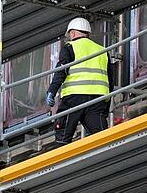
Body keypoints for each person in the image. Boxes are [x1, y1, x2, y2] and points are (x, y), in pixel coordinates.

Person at [45, 17, 110, 145]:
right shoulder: (102, 50)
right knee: (102, 138)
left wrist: (52, 91)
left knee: (63, 135)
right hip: (98, 98)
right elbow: (110, 80)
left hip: (74, 97)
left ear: (73, 33)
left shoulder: (70, 47)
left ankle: (61, 161)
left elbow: (61, 71)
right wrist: (106, 106)